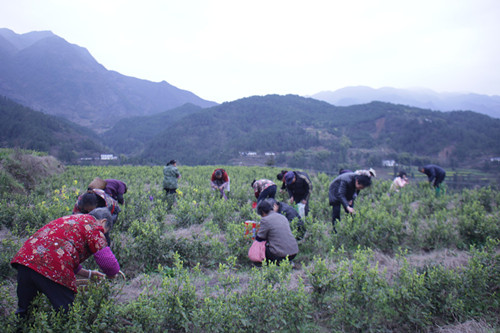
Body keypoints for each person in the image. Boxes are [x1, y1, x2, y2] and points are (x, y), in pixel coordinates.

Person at [10, 208, 120, 318]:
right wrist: (112, 274)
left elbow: (60, 250)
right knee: (67, 314)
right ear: (103, 222)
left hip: (25, 261)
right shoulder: (94, 227)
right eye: (105, 231)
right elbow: (108, 263)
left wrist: (89, 274)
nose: (103, 234)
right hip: (51, 266)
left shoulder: (70, 219)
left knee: (25, 313)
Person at [255, 200, 299, 265]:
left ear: (262, 212)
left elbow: (259, 239)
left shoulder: (265, 220)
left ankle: (274, 263)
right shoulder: (282, 217)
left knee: (260, 248)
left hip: (279, 254)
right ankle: (288, 262)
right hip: (293, 253)